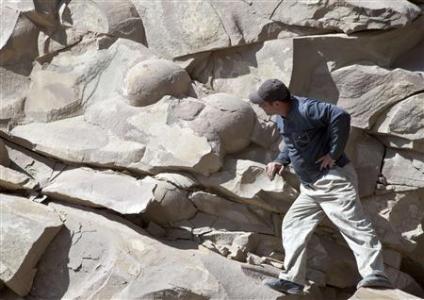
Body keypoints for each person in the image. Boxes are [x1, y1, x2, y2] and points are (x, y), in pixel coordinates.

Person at [248, 79, 392, 295]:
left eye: (263, 103)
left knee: (353, 224)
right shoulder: (282, 118)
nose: (261, 106)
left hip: (331, 180)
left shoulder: (307, 108)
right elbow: (291, 144)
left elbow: (340, 116)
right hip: (310, 186)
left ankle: (375, 273)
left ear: (276, 103)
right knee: (293, 224)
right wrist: (280, 160)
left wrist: (333, 154)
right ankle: (292, 280)